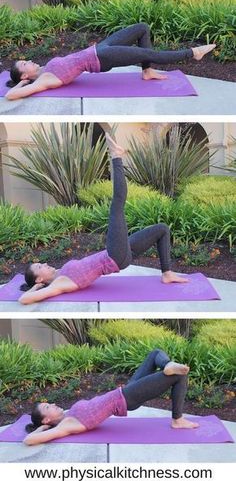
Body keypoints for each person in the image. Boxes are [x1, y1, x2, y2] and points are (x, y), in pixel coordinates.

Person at [19, 134, 188, 306]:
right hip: (115, 256)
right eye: (40, 267)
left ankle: (167, 273)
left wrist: (36, 283)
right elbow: (24, 300)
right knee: (117, 203)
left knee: (162, 229)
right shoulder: (59, 284)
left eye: (41, 263)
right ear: (40, 279)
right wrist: (37, 287)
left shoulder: (60, 273)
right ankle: (116, 156)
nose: (45, 263)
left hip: (120, 254)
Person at [23, 348, 199, 445]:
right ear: (46, 421)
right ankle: (178, 419)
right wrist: (42, 429)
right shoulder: (66, 425)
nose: (52, 404)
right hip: (127, 398)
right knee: (180, 375)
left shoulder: (68, 416)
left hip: (125, 391)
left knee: (154, 354)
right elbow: (29, 440)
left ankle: (168, 364)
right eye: (48, 407)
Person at [5, 22, 216, 101]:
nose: (30, 61)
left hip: (99, 48)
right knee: (150, 53)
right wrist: (23, 84)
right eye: (24, 65)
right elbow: (11, 95)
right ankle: (193, 52)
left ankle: (147, 71)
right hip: (103, 59)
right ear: (24, 75)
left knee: (142, 28)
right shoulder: (43, 81)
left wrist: (24, 78)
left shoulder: (43, 70)